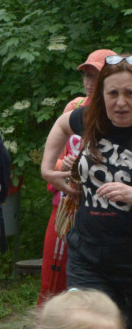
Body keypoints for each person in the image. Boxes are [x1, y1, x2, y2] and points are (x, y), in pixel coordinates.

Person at [41, 53, 132, 329]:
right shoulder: (91, 117)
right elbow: (63, 125)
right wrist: (49, 169)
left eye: (129, 93)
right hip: (89, 258)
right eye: (113, 93)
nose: (121, 102)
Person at [39, 48, 117, 305]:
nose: (88, 82)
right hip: (67, 204)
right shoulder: (75, 107)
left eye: (95, 76)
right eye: (86, 75)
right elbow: (56, 159)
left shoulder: (119, 113)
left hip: (105, 212)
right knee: (54, 274)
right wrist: (67, 166)